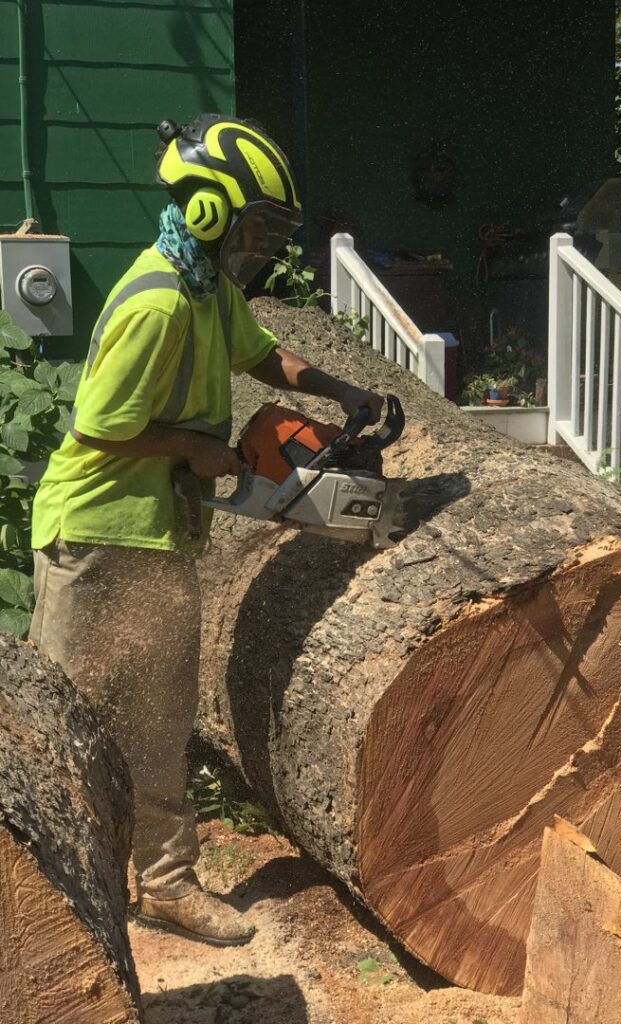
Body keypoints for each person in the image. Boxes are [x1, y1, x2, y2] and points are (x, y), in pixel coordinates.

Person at [29, 113, 382, 946]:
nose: (261, 245)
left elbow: (260, 354)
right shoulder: (156, 303)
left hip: (165, 534)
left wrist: (340, 390)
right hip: (96, 535)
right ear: (209, 210)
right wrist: (200, 449)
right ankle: (53, 894)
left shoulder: (208, 291)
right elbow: (98, 427)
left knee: (158, 722)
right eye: (256, 226)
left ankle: (164, 885)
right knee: (69, 723)